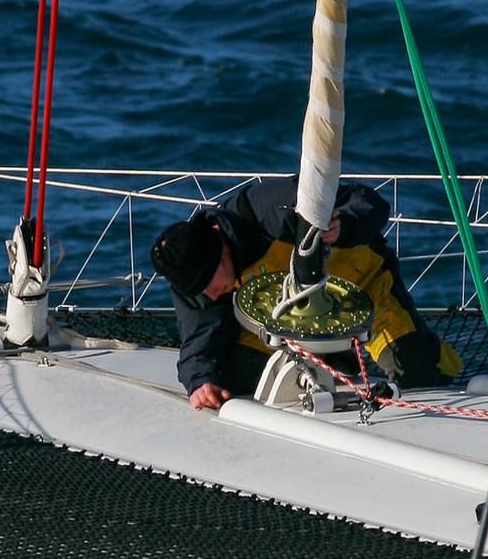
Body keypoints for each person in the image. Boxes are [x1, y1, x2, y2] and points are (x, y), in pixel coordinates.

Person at [149, 173, 461, 409]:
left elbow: (371, 202)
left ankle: (425, 361)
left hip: (362, 291)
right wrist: (200, 381)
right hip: (288, 322)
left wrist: (344, 224)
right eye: (198, 289)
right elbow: (199, 345)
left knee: (416, 371)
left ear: (219, 247)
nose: (208, 294)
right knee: (230, 376)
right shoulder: (192, 278)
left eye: (208, 281)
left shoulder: (273, 206)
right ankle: (334, 362)